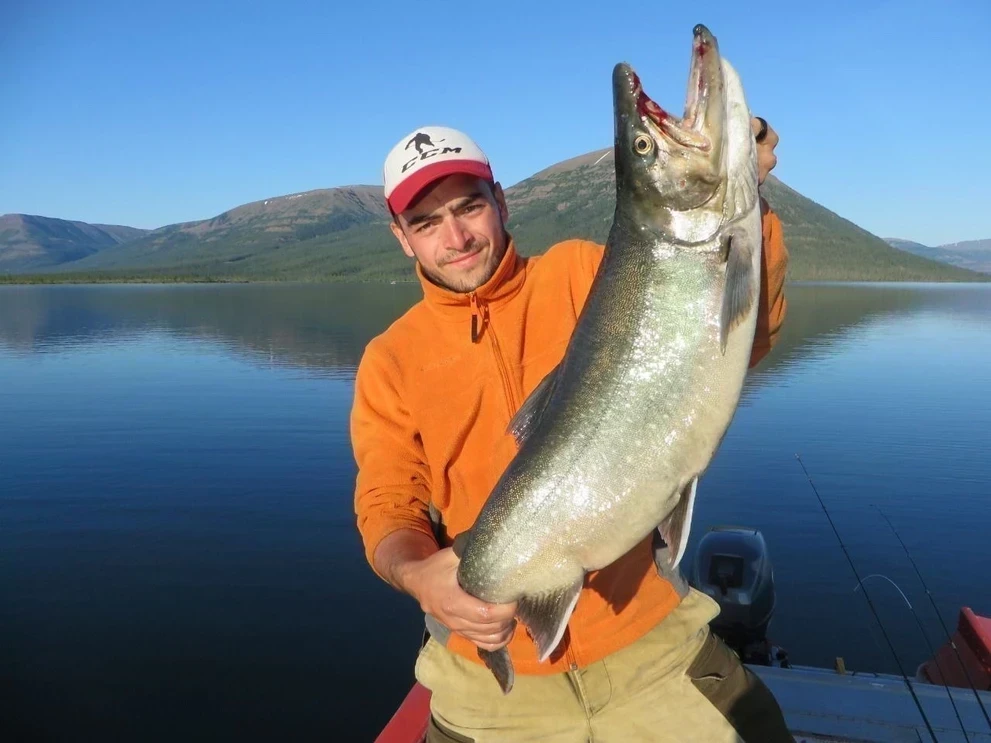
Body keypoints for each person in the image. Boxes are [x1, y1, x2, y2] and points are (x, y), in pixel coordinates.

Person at [351, 119, 792, 742]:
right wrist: (419, 576)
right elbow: (386, 503)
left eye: (469, 207)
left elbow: (742, 337)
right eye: (426, 223)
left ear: (500, 201)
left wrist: (745, 200)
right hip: (485, 676)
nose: (456, 238)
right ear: (402, 238)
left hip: (648, 640)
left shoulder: (584, 273)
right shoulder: (390, 361)